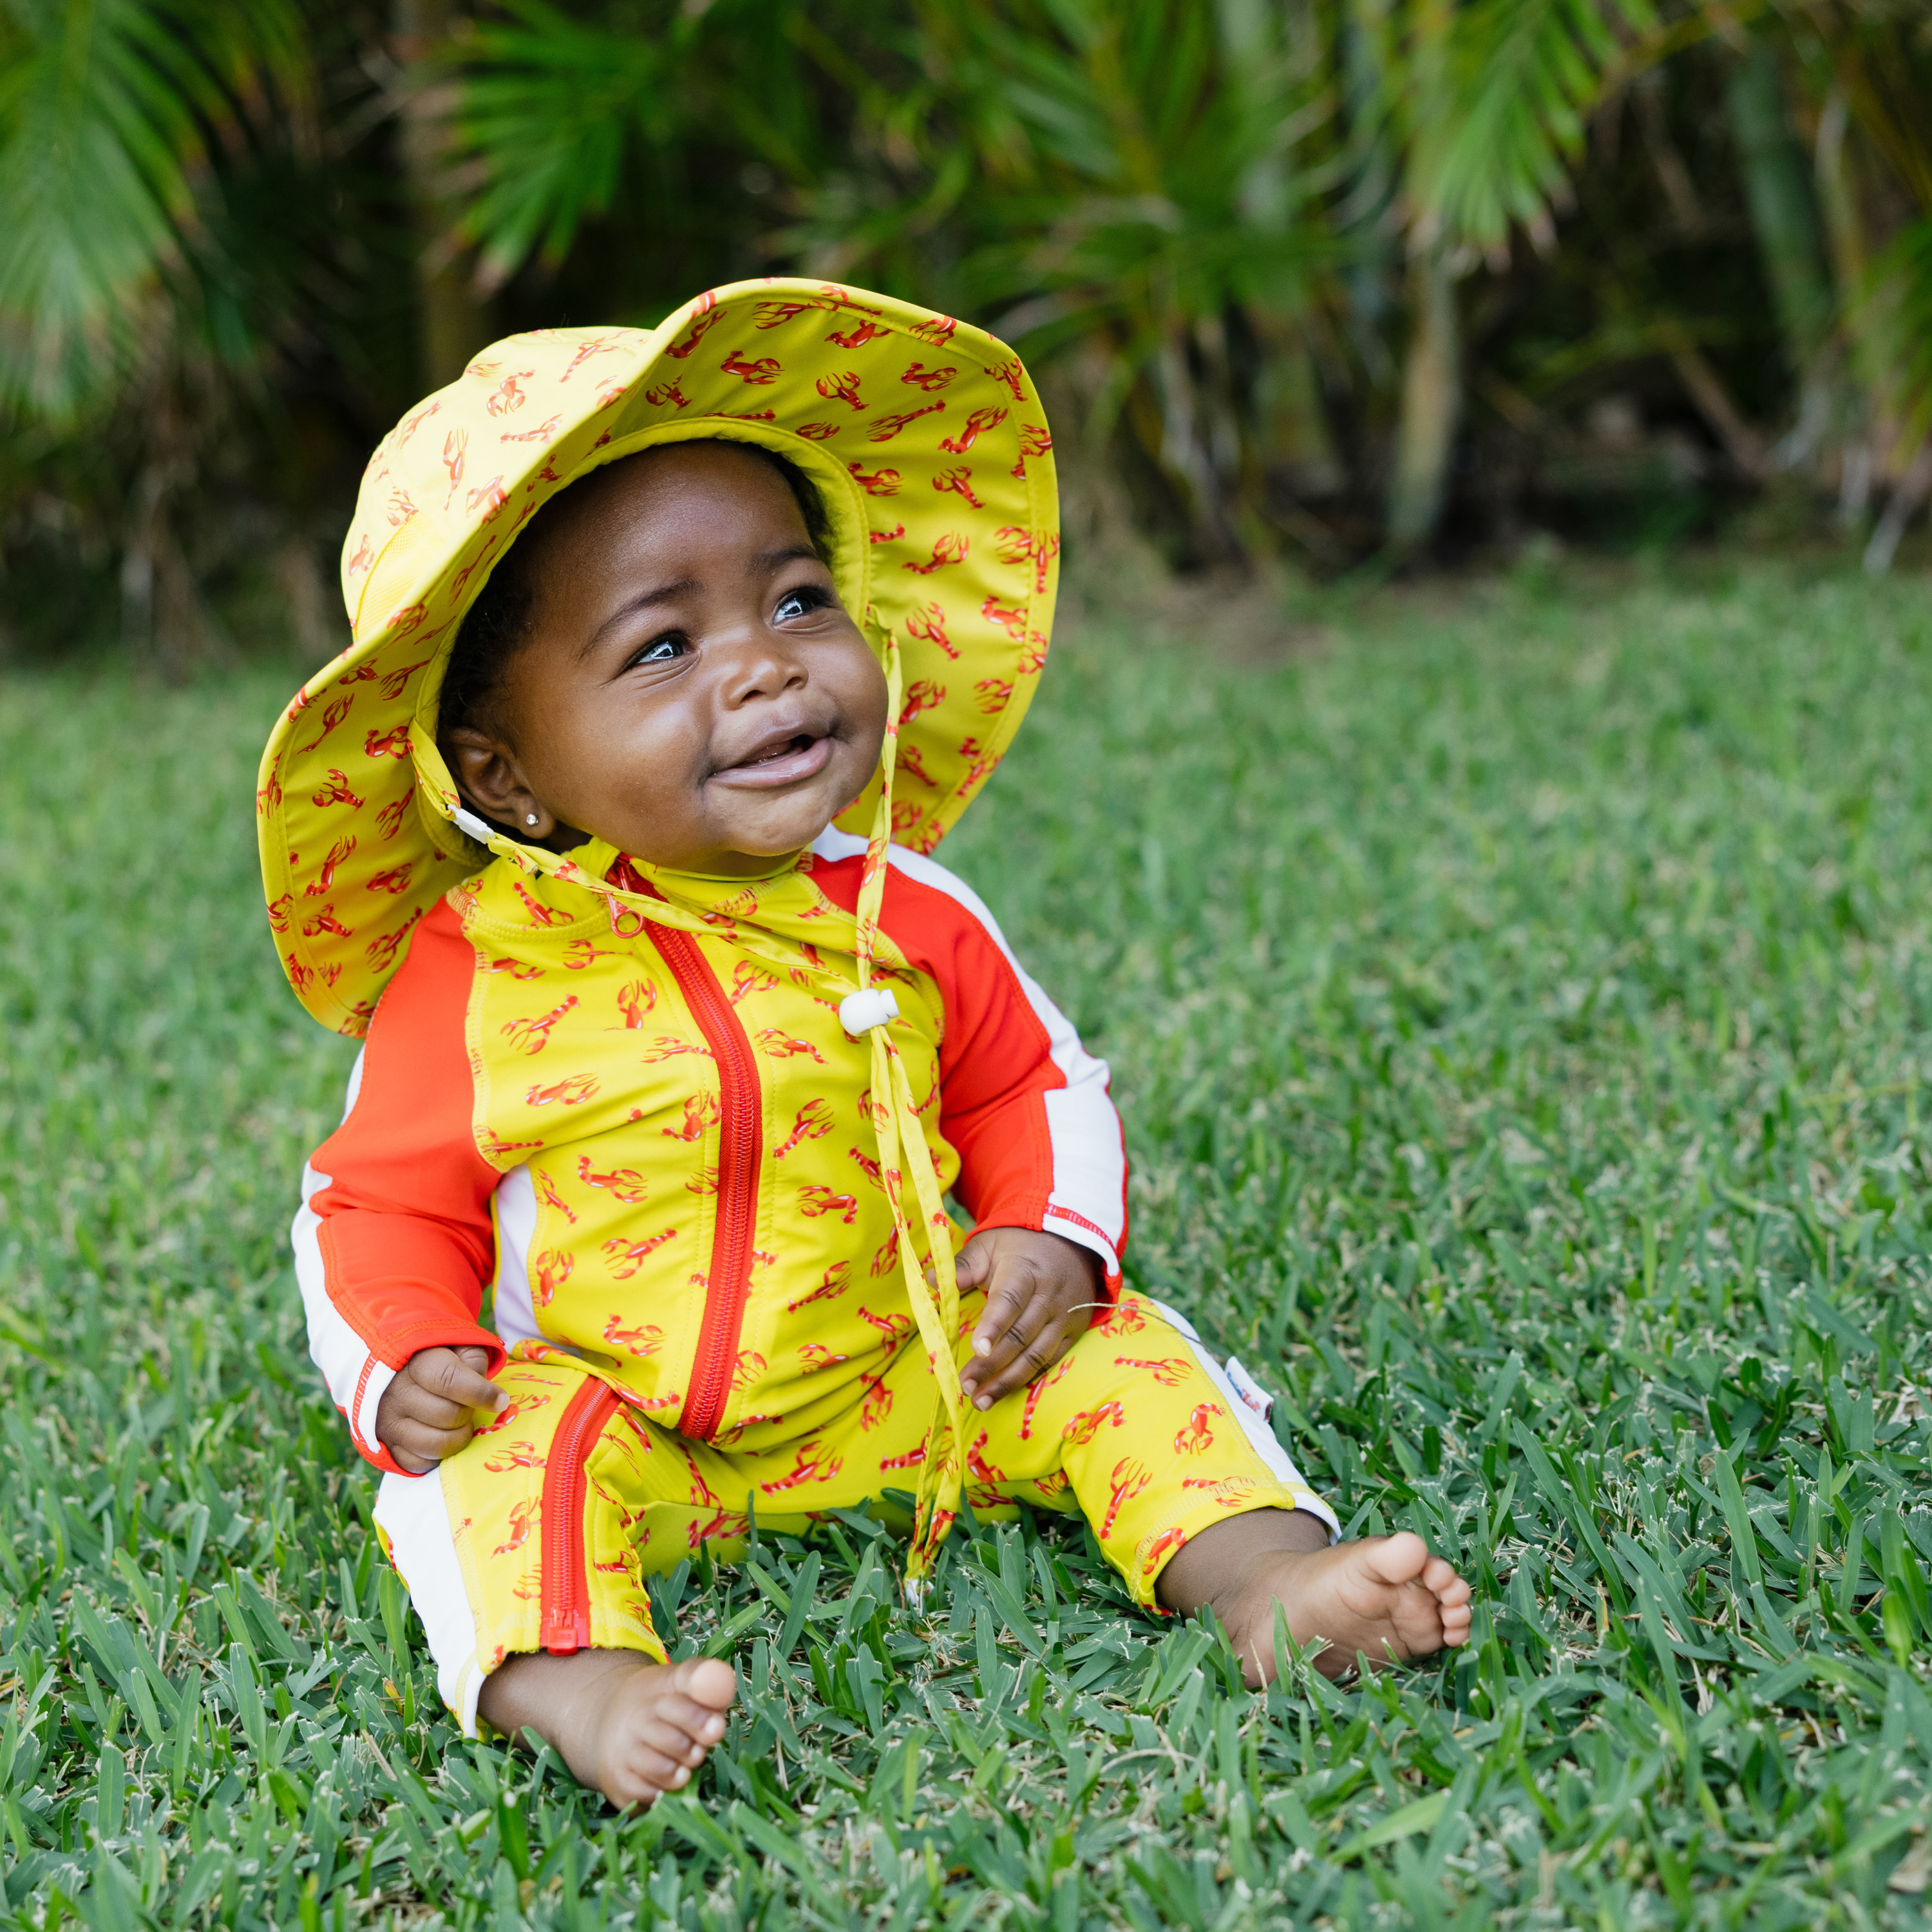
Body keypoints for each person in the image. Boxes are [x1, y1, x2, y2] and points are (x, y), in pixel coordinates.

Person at [259, 281, 1472, 1810]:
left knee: (1121, 1354)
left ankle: (1265, 1576)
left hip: (912, 1369)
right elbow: (374, 1204)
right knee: (487, 1464)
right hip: (628, 1413)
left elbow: (1036, 1081)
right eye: (660, 648)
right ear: (508, 777)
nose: (764, 667)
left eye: (794, 602)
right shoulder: (477, 973)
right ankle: (576, 1678)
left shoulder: (908, 907)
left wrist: (1042, 1235)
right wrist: (410, 1356)